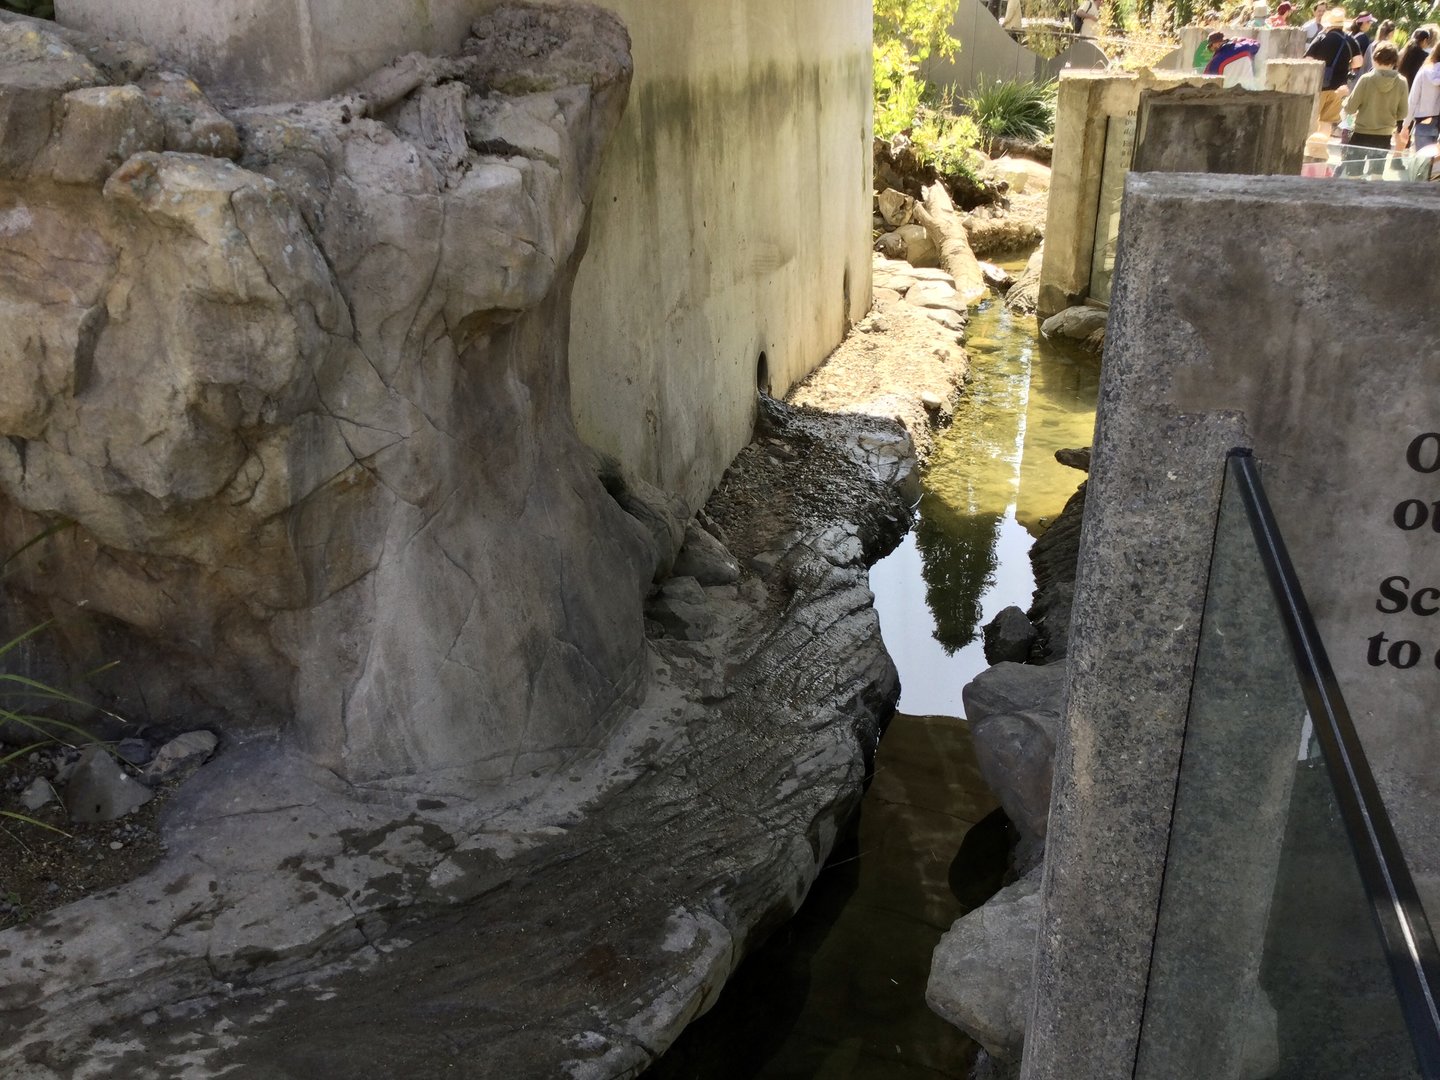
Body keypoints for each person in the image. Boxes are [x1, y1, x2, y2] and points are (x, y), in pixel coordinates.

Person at [1340, 40, 1409, 174]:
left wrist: (1343, 99)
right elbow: (1403, 113)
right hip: (1384, 136)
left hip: (1361, 134)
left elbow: (1350, 108)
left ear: (1374, 58)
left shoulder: (1366, 79)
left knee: (1353, 175)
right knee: (1376, 177)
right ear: (1395, 61)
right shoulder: (1402, 82)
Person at [1305, 9, 1361, 131]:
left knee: (1312, 120)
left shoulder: (1322, 37)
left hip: (1319, 86)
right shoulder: (1350, 40)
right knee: (1327, 122)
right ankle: (1322, 147)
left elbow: (1308, 59)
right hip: (1339, 88)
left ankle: (1311, 148)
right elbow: (1359, 62)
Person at [1402, 40, 1440, 151]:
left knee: (1422, 163)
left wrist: (1405, 125)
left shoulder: (1424, 72)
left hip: (1424, 120)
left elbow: (1413, 100)